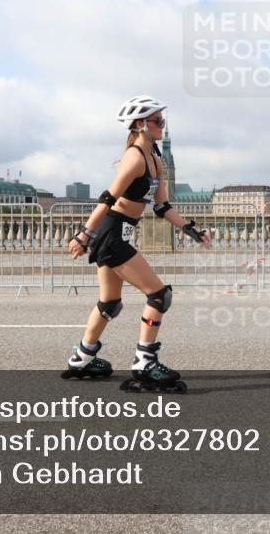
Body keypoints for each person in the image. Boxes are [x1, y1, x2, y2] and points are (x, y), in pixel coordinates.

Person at [63, 95, 211, 392]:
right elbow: (108, 198)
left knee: (110, 302)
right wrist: (84, 234)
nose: (161, 125)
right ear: (141, 124)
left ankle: (82, 358)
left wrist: (190, 229)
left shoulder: (156, 159)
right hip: (111, 234)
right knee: (159, 296)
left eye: (162, 120)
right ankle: (145, 362)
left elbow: (162, 206)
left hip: (120, 233)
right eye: (157, 121)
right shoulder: (134, 157)